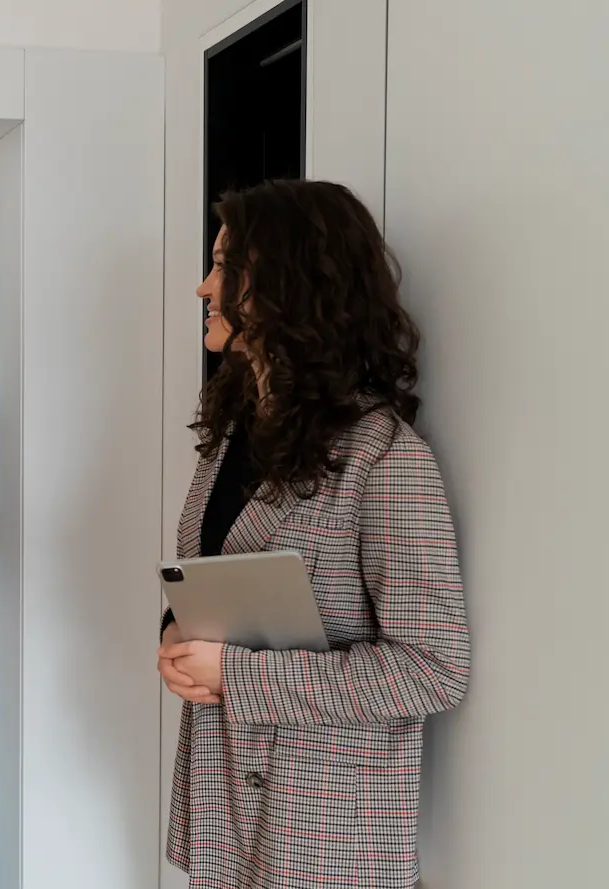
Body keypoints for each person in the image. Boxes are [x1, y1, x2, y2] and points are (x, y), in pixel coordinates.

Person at [157, 179, 471, 889]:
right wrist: (178, 637)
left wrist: (233, 671)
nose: (203, 287)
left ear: (283, 284)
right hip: (225, 799)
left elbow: (434, 667)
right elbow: (222, 577)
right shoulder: (232, 434)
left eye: (223, 266)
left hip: (326, 832)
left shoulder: (385, 456)